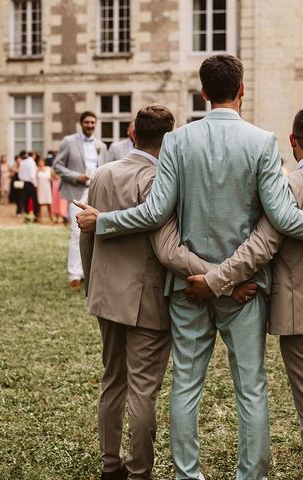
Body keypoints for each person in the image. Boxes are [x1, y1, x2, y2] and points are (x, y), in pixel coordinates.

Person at [76, 54, 303, 480]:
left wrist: (103, 221)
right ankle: (250, 476)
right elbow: (279, 222)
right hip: (246, 286)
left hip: (187, 285)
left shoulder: (178, 142)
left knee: (186, 386)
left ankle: (187, 475)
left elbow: (157, 213)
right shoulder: (262, 141)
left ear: (203, 93)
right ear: (242, 90)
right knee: (250, 389)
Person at [187, 105, 303, 480]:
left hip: (302, 311)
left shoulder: (286, 187)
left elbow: (261, 247)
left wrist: (215, 280)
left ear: (293, 141)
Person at [79, 104, 256, 480]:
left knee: (112, 381)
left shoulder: (102, 174)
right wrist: (225, 279)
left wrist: (93, 283)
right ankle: (140, 470)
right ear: (170, 138)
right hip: (147, 298)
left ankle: (111, 465)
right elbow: (168, 249)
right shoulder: (162, 179)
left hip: (106, 294)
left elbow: (87, 236)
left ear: (132, 132)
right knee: (144, 390)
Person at [53, 111, 107, 288]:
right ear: (81, 123)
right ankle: (74, 274)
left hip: (96, 192)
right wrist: (77, 176)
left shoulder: (101, 145)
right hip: (77, 193)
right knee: (77, 232)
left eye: (93, 122)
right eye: (87, 122)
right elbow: (57, 166)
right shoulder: (69, 141)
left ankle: (89, 272)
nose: (90, 125)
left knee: (96, 233)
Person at [18, 151, 39, 220]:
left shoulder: (23, 162)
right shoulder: (32, 162)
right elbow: (32, 175)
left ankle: (26, 215)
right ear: (33, 155)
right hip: (31, 183)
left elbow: (20, 175)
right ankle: (35, 216)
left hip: (24, 183)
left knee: (25, 200)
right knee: (34, 200)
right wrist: (35, 184)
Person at [36, 154, 55, 222]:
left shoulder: (48, 168)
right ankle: (40, 217)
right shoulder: (36, 169)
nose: (40, 163)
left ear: (44, 162)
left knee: (48, 203)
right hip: (40, 188)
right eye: (39, 161)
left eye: (42, 161)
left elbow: (54, 177)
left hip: (47, 187)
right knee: (40, 203)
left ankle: (51, 216)